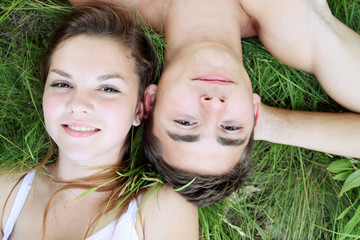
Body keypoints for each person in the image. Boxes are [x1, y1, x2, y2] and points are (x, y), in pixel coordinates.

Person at [70, 0, 360, 207]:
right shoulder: (297, 28)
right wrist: (271, 124)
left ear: (151, 99)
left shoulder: (106, 3)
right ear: (254, 110)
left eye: (185, 122)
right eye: (230, 127)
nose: (213, 105)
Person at [0, 4, 198, 240]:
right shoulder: (7, 190)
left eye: (107, 88)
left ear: (140, 108)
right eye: (62, 84)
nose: (78, 104)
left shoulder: (162, 208)